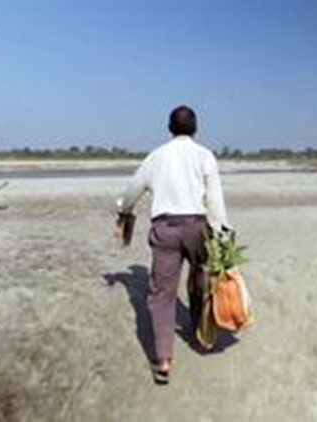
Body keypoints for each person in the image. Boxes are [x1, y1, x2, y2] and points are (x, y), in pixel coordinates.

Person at [116, 105, 228, 384]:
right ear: (196, 128)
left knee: (162, 295)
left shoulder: (156, 156)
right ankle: (203, 336)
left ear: (169, 128)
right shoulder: (204, 155)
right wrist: (221, 232)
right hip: (197, 226)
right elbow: (214, 199)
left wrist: (124, 209)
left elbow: (133, 190)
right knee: (202, 281)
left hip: (165, 229)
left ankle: (164, 360)